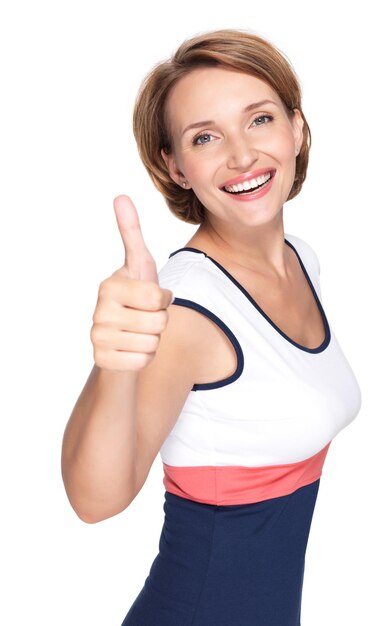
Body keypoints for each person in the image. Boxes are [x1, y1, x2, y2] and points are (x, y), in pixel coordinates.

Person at [61, 28, 362, 626]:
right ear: (174, 166)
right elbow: (95, 501)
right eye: (205, 137)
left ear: (296, 130)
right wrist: (115, 365)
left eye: (259, 120)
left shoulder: (301, 259)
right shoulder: (185, 310)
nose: (242, 155)